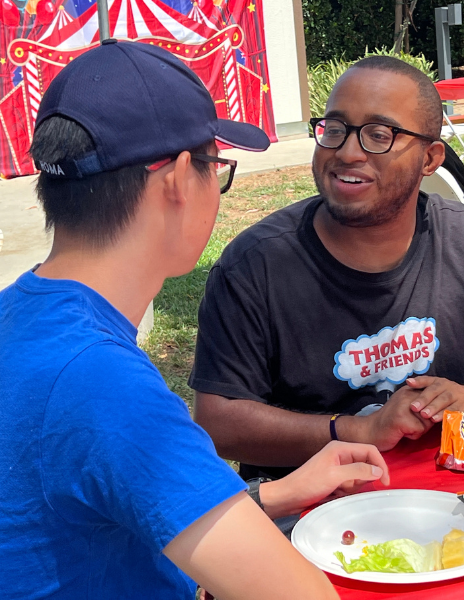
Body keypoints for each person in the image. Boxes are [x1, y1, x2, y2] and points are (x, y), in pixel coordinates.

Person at [0, 39, 393, 599]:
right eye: (217, 167)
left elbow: (113, 506)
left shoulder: (23, 320)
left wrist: (281, 493)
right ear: (180, 179)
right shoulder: (101, 383)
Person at [188, 56, 464, 482]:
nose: (347, 152)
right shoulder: (256, 264)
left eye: (379, 135)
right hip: (310, 516)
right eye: (336, 129)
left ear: (430, 158)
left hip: (454, 502)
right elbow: (219, 423)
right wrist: (357, 430)